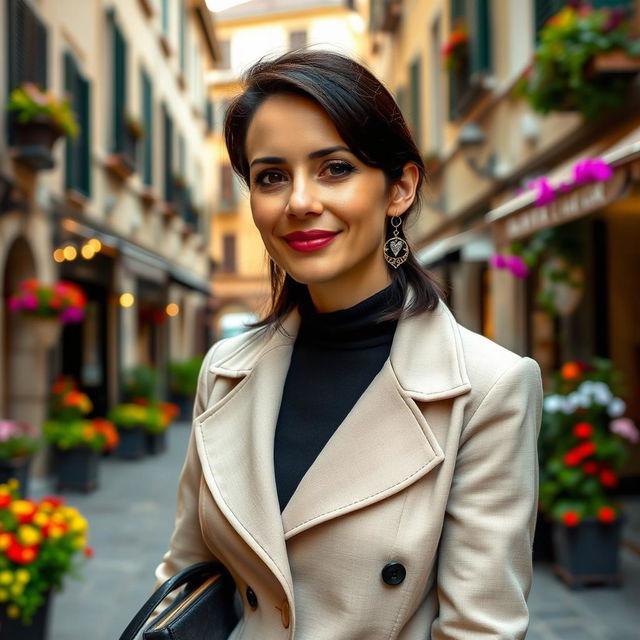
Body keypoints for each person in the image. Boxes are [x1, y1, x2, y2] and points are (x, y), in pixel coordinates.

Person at [154, 50, 543, 640]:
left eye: (334, 168)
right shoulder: (226, 370)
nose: (300, 201)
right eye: (271, 176)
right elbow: (185, 582)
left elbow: (480, 630)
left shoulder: (489, 388)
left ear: (400, 188)